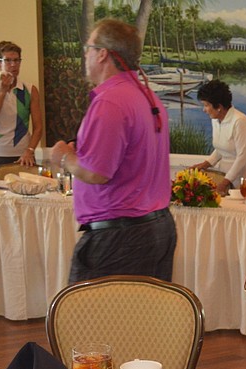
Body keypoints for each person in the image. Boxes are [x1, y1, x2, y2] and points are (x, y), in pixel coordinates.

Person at [49, 19, 175, 283]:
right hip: (156, 228)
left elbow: (96, 173)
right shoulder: (147, 97)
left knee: (96, 320)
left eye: (89, 47)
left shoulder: (110, 102)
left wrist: (64, 156)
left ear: (103, 53)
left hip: (120, 238)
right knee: (144, 320)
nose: (85, 54)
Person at [0, 41, 43, 176]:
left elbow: (38, 127)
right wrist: (2, 92)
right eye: (8, 61)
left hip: (22, 154)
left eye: (16, 60)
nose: (13, 65)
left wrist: (30, 150)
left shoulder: (30, 89)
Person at [191, 79, 246, 198]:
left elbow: (242, 157)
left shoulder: (239, 121)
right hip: (225, 174)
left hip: (244, 176)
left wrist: (224, 183)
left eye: (206, 105)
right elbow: (221, 148)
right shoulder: (215, 120)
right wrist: (204, 165)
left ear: (219, 106)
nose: (204, 109)